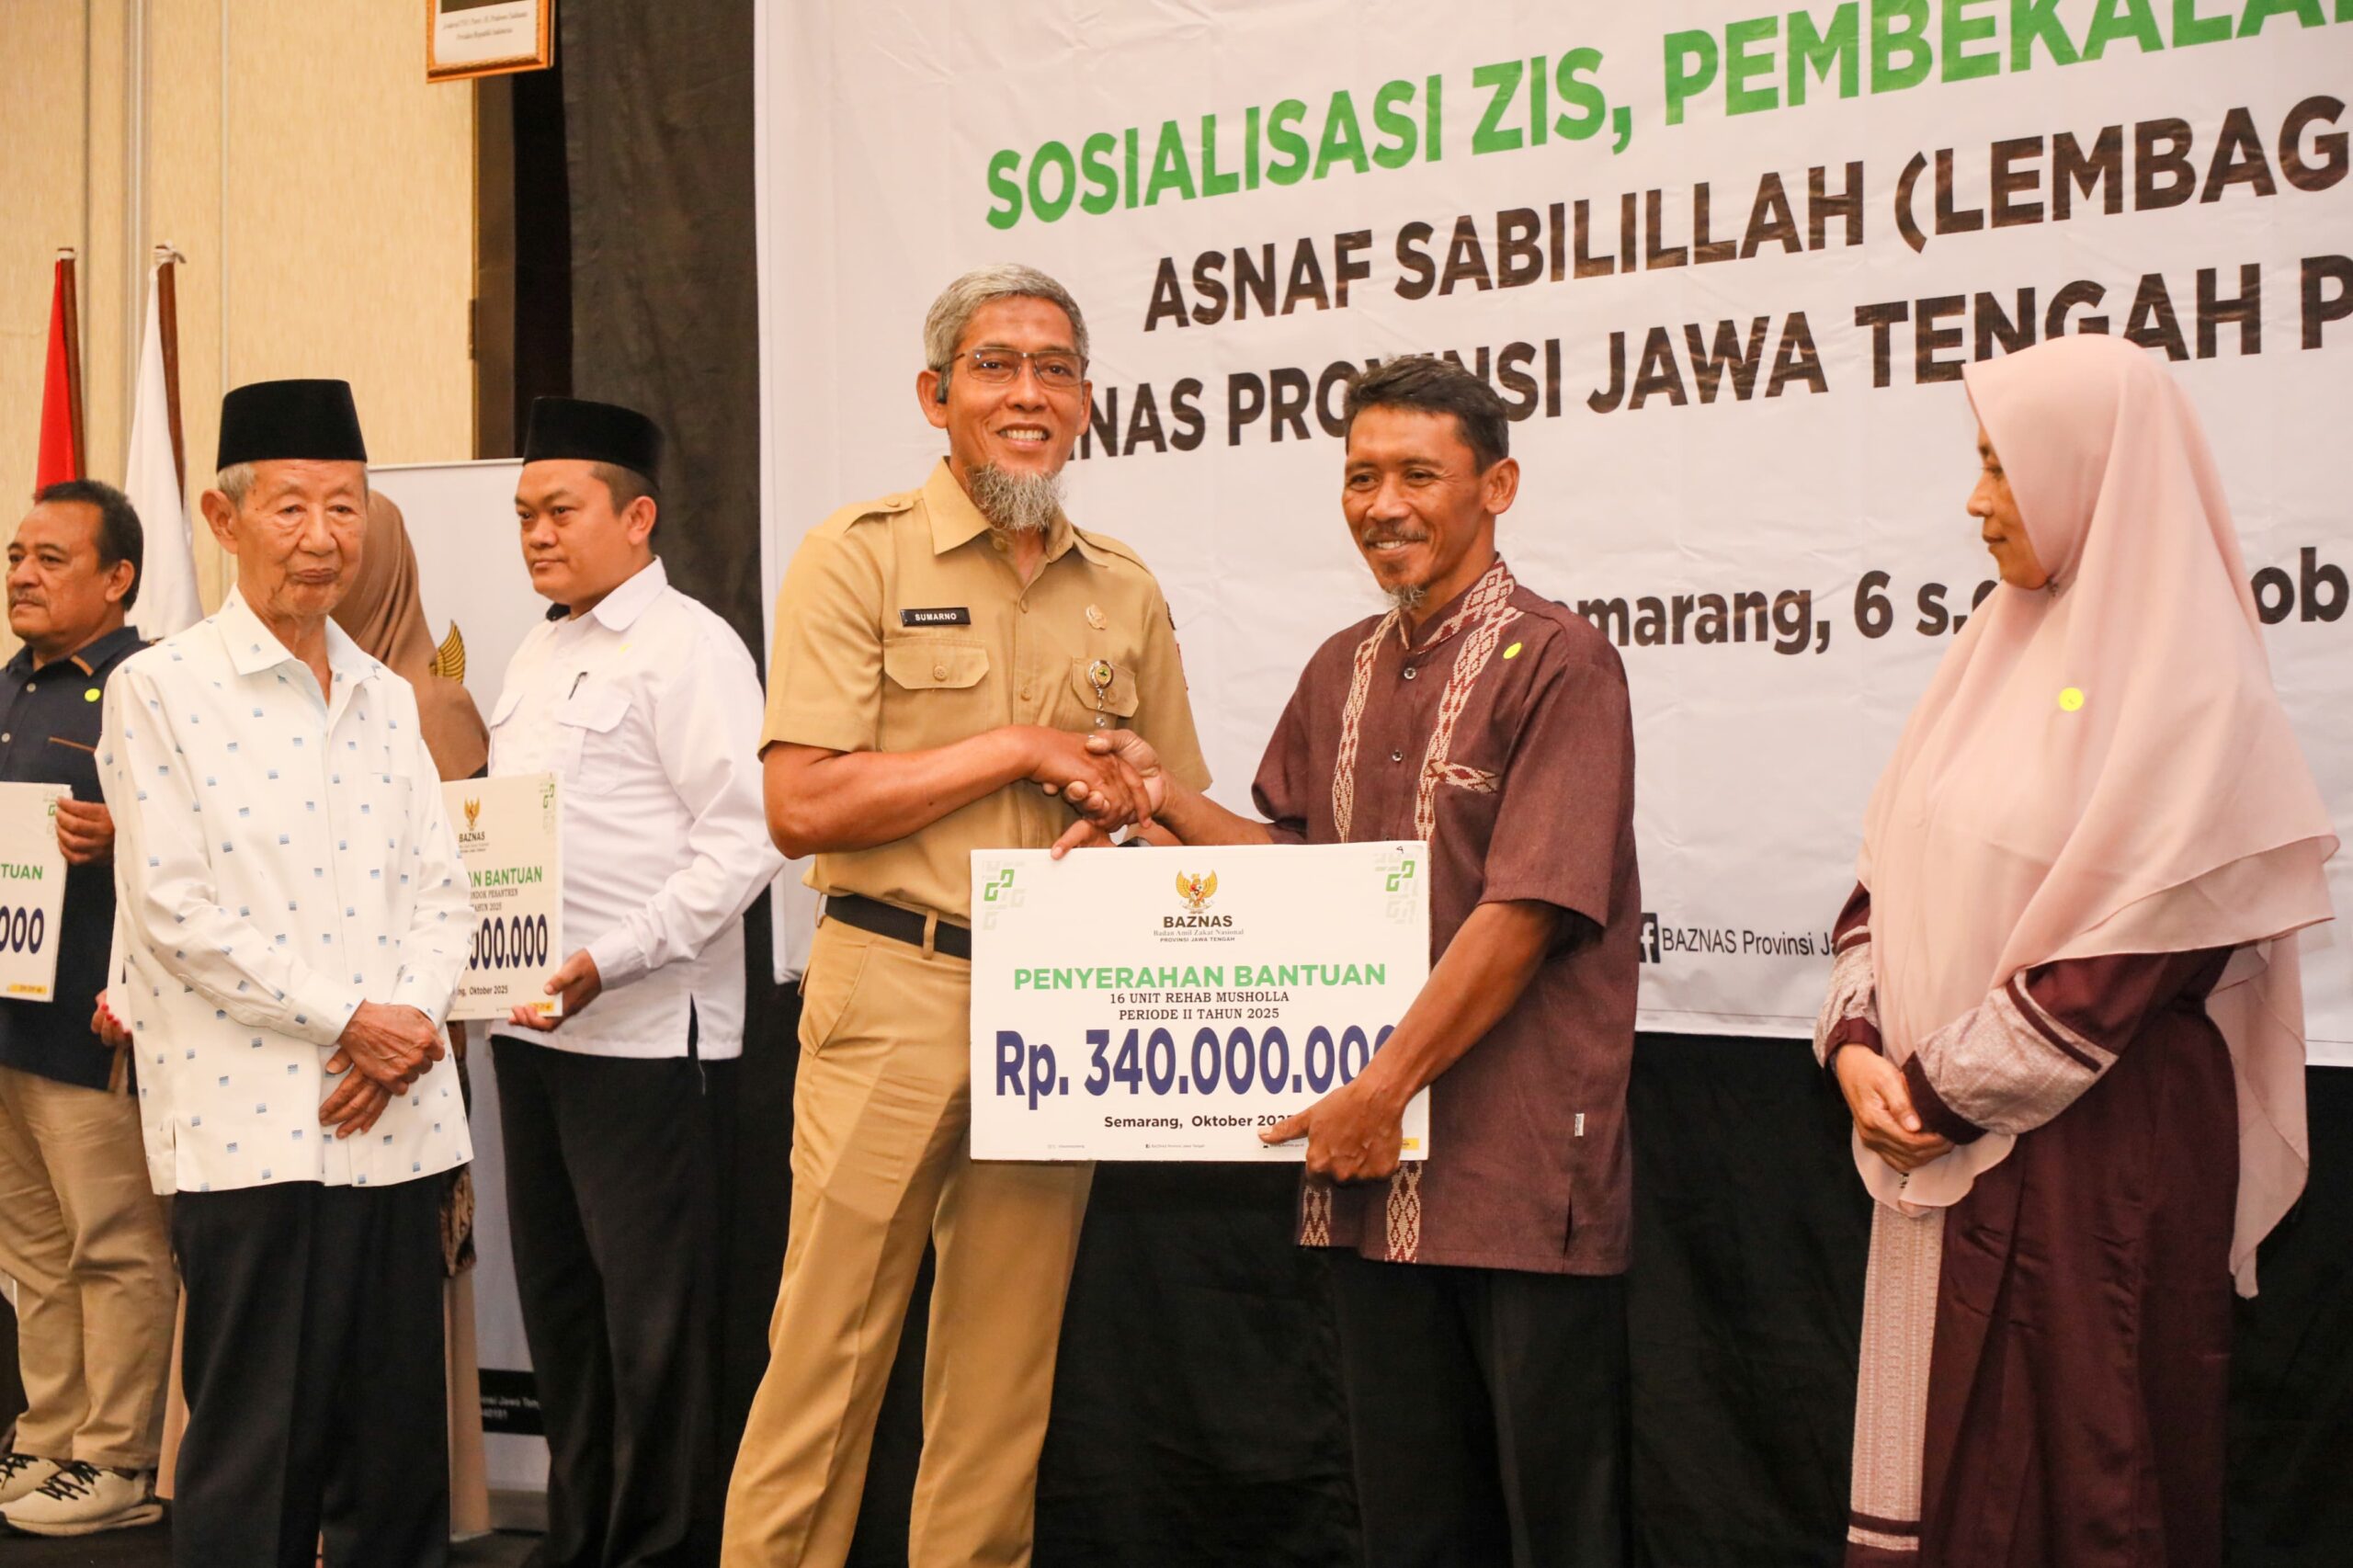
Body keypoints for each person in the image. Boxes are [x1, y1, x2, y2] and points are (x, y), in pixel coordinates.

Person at [1055, 355, 1642, 1567]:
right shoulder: (1343, 667)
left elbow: (1525, 910)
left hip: (1519, 1175)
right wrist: (1158, 798)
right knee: (1412, 1522)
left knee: (1555, 1522)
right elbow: (1293, 866)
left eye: (1418, 474)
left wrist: (1383, 1086)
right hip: (1370, 1181)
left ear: (1499, 486)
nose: (1384, 503)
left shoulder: (1564, 663)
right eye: (1361, 475)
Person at [1813, 333, 2336, 1567]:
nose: (1978, 503)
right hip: (1934, 1132)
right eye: (1980, 466)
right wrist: (1856, 1048)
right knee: (1947, 1477)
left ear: (2092, 472)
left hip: (2101, 1164)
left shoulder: (2194, 694)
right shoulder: (1986, 658)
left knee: (2082, 1484)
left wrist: (1931, 1091)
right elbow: (1878, 881)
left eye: (2004, 467)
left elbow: (2132, 953)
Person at [722, 264, 1206, 1568]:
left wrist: (1132, 813)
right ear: (938, 397)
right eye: (997, 366)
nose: (1029, 392)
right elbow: (803, 803)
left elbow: (1174, 808)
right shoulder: (857, 552)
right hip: (899, 986)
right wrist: (1019, 747)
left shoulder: (1125, 588)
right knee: (825, 1359)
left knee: (1003, 1381)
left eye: (1056, 369)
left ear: (1089, 404)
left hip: (1061, 1001)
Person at [99, 378, 474, 1568]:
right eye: (293, 508)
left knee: (399, 1464)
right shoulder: (161, 690)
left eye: (347, 508)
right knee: (257, 1464)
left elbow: (442, 885)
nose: (323, 539)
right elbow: (176, 911)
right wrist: (354, 1021)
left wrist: (403, 1025)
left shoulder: (383, 695)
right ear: (223, 518)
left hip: (397, 1130)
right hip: (249, 1136)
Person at [489, 395, 781, 1568]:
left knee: (654, 1338)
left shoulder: (691, 648)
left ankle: (658, 1552)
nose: (536, 535)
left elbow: (749, 842)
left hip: (649, 1042)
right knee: (566, 1323)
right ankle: (578, 1546)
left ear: (639, 515)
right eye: (522, 515)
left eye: (561, 511)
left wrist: (610, 960)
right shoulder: (536, 646)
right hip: (531, 1032)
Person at [0, 480, 173, 1536]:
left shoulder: (150, 688)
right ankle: (50, 1431)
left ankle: (119, 1453)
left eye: (50, 557)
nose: (22, 572)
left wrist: (126, 838)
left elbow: (211, 844)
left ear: (118, 579)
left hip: (92, 1022)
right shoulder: (13, 684)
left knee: (114, 1242)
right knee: (31, 1246)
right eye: (16, 554)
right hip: (8, 1016)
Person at [332, 489, 494, 1541]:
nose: (322, 562)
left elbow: (457, 895)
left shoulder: (432, 704)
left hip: (405, 1049)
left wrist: (390, 1036)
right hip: (292, 1043)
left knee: (386, 1304)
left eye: (349, 548)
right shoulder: (271, 692)